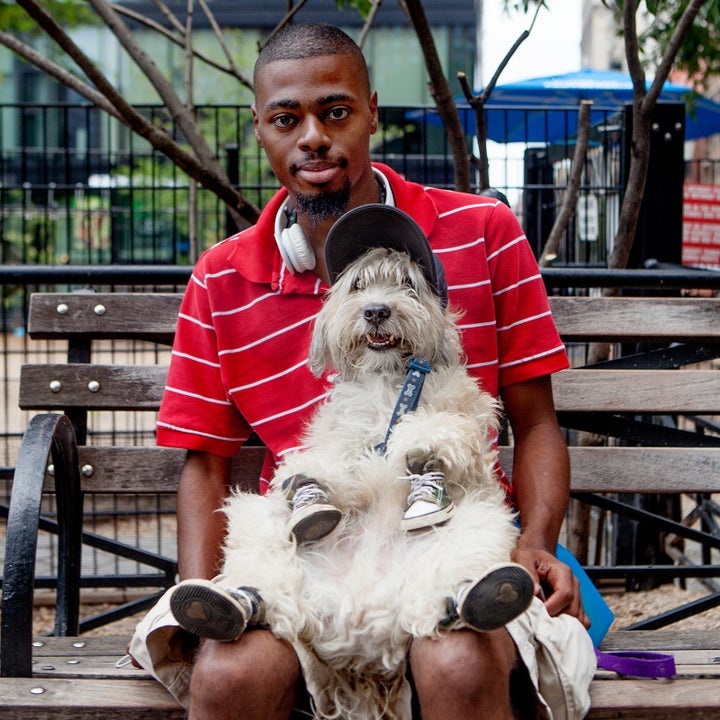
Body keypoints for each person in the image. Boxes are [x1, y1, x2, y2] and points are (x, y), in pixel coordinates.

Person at [130, 21, 595, 720]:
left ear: (372, 111)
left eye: (335, 112)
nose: (313, 136)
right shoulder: (220, 280)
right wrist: (202, 592)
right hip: (316, 555)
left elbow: (535, 423)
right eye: (287, 118)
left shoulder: (483, 231)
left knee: (458, 657)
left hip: (447, 540)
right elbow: (203, 463)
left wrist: (537, 544)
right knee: (229, 676)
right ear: (260, 128)